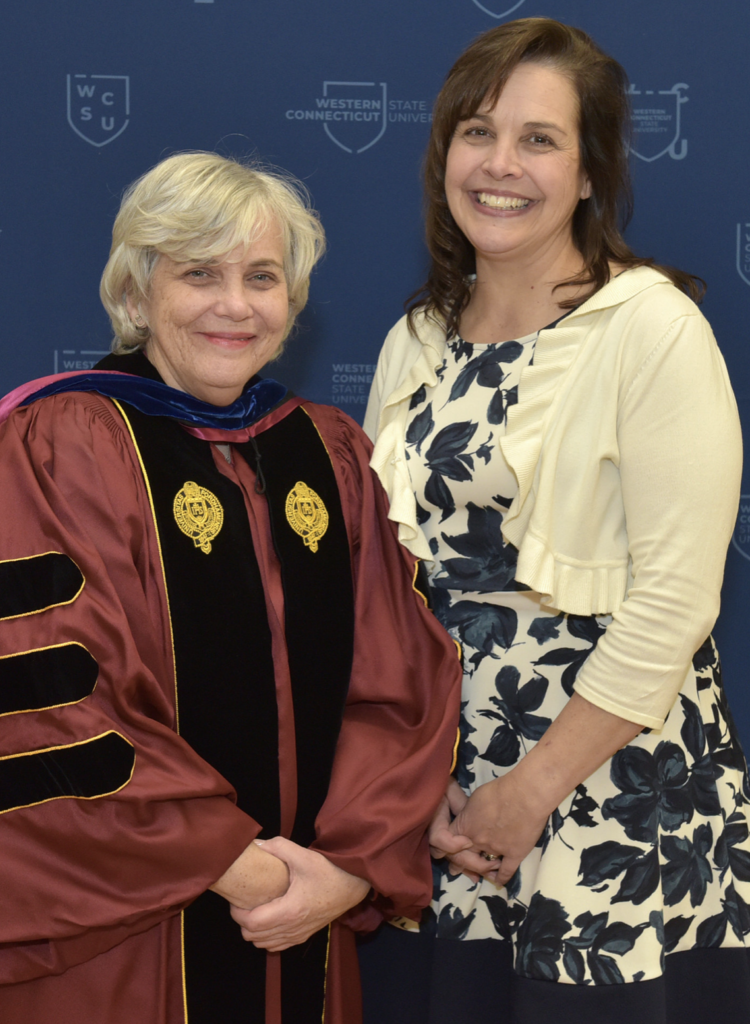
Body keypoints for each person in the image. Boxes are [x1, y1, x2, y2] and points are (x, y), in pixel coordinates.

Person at [0, 152, 461, 1024]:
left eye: (262, 277)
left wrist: (348, 866)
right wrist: (245, 869)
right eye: (199, 274)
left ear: (293, 305)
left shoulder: (328, 454)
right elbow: (46, 697)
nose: (235, 305)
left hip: (304, 915)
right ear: (138, 296)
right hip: (129, 929)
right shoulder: (59, 445)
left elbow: (396, 684)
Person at [360, 17, 750, 1024]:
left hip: (603, 789)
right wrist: (410, 778)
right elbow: (384, 583)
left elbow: (675, 599)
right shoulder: (416, 340)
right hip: (445, 798)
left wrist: (531, 788)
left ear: (589, 174)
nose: (500, 165)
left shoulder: (650, 327)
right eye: (476, 131)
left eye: (540, 140)